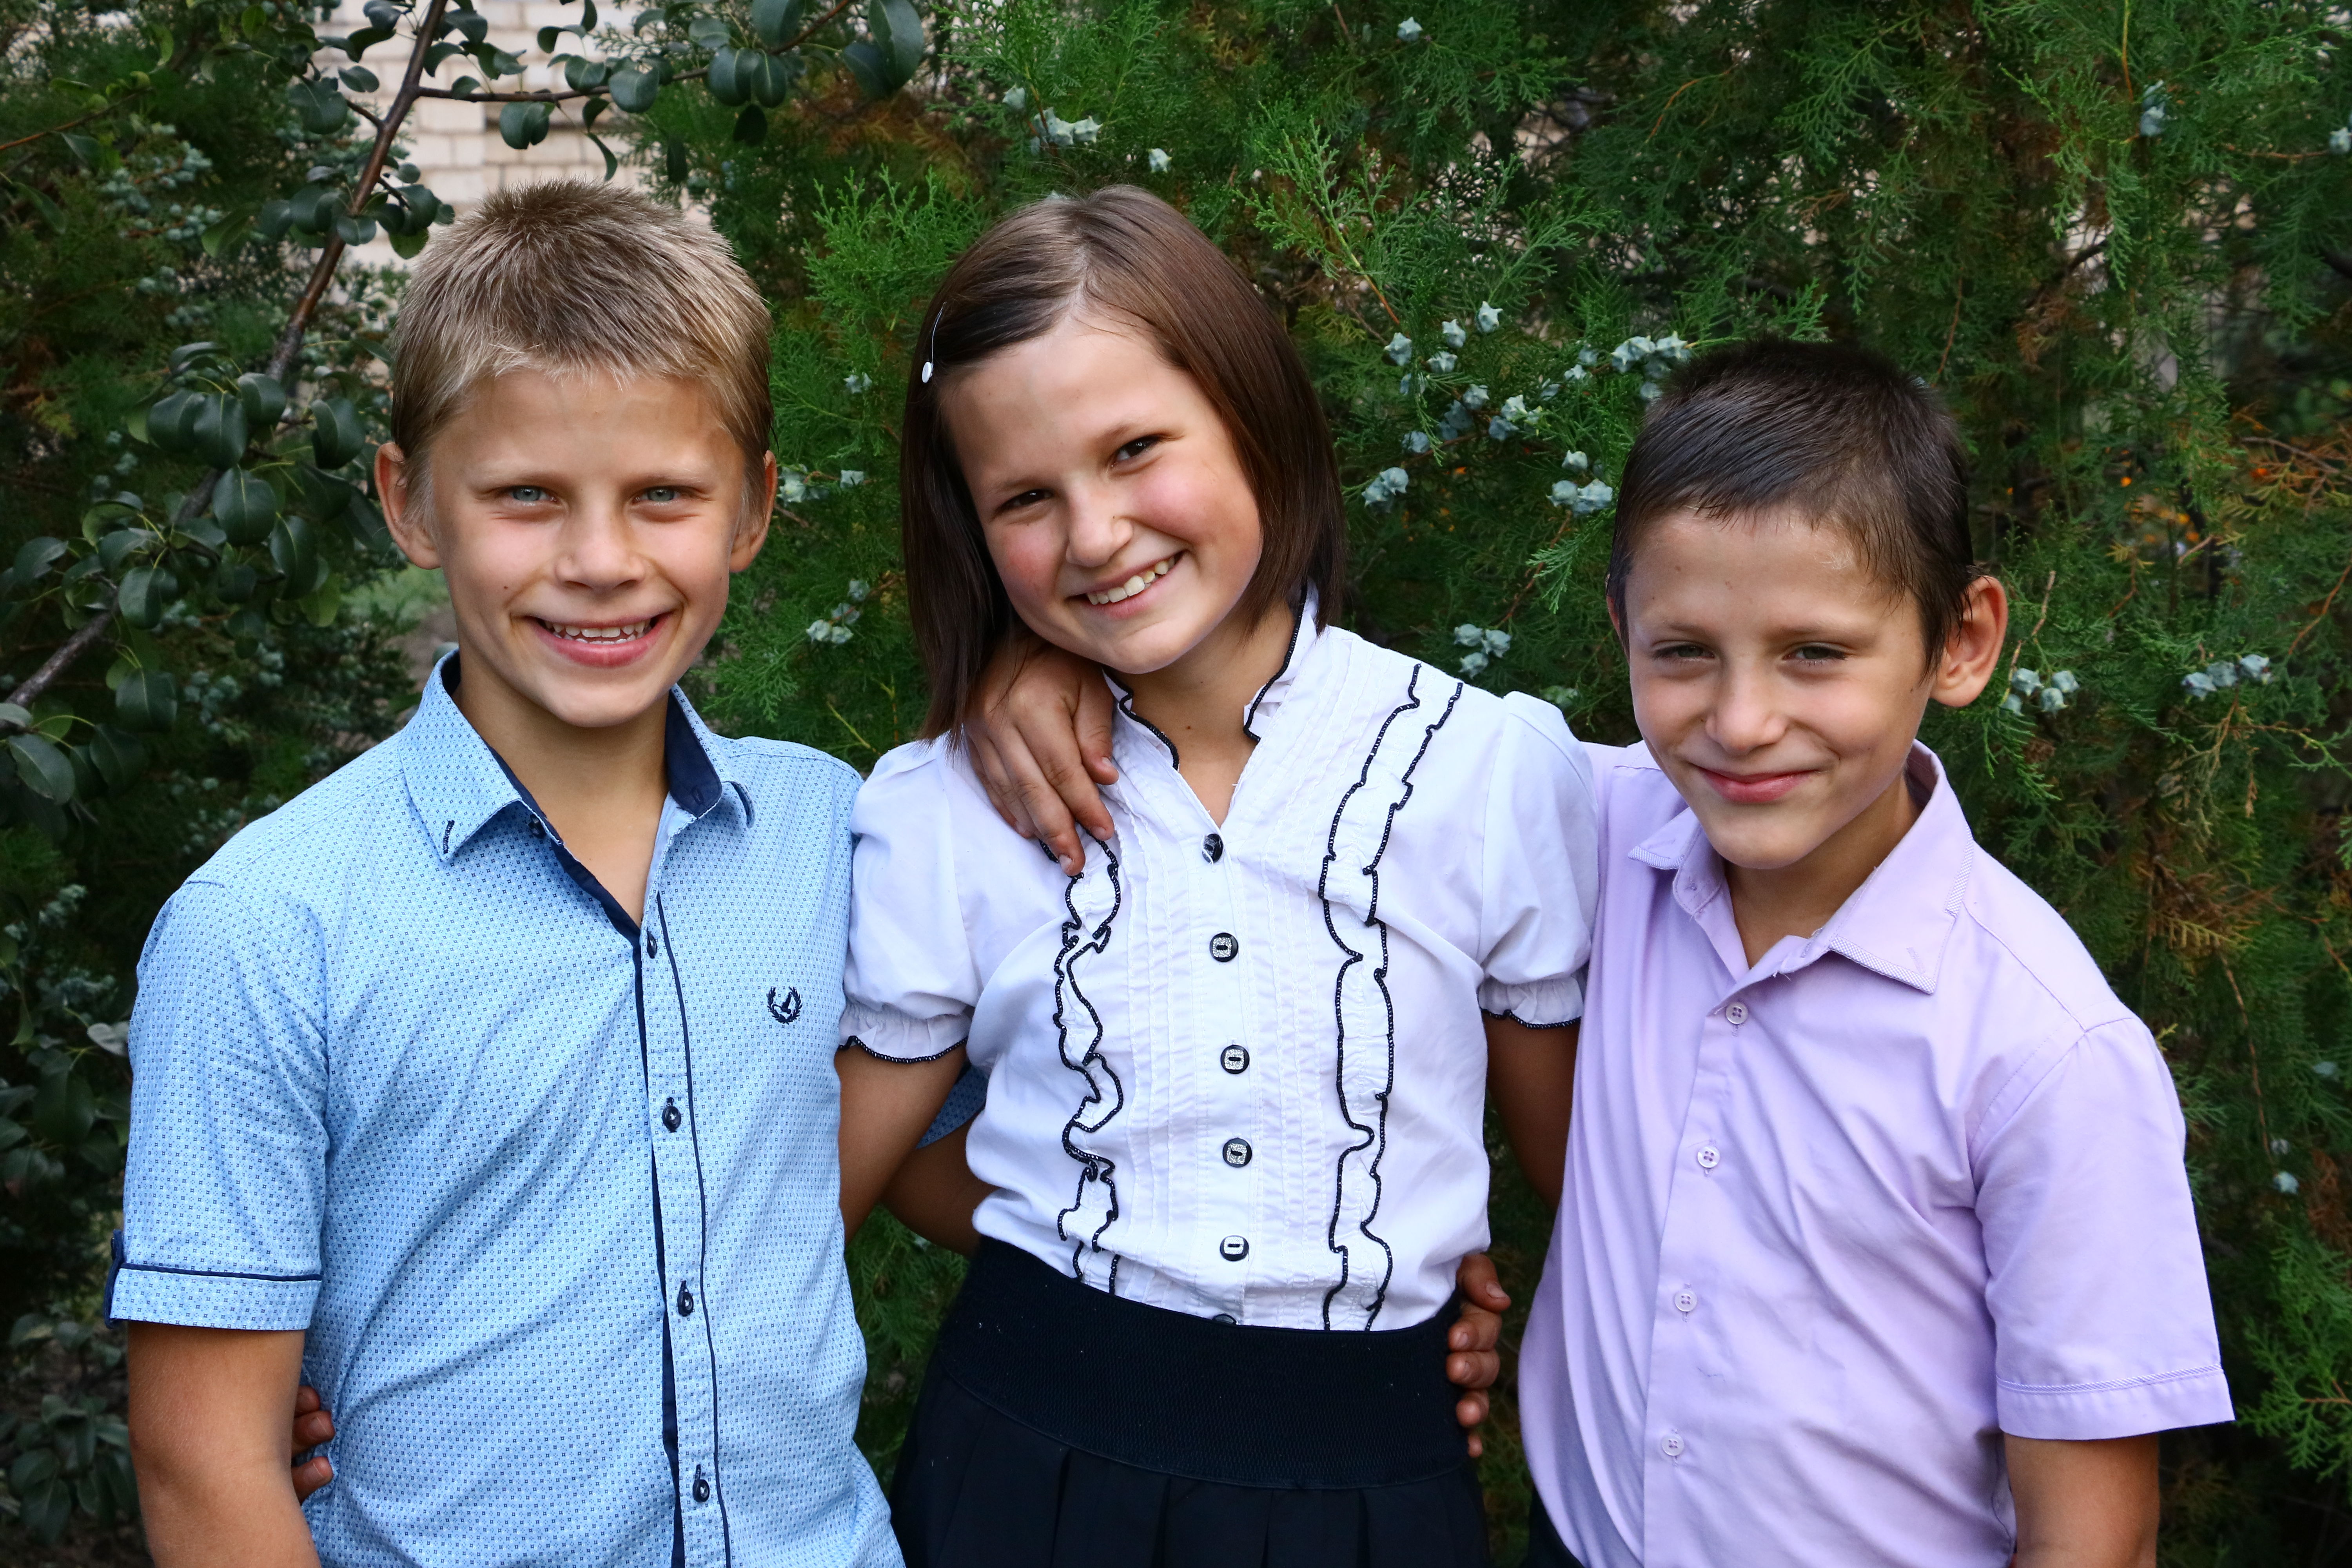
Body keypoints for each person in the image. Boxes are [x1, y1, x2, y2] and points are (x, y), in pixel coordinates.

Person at [977, 338, 2235, 1566]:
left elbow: (2095, 1536)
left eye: (1816, 653)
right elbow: (1285, 765)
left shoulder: (2049, 1053)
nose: (1743, 722)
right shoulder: (1552, 822)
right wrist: (1045, 674)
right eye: (1684, 653)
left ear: (1961, 640)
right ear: (1623, 624)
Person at [112, 181, 898, 1567]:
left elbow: (993, 1172)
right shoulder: (268, 926)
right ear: (411, 503)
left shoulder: (836, 836)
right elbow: (204, 1468)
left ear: (753, 511)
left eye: (664, 495)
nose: (600, 562)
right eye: (527, 496)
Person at [830, 185, 1599, 1567]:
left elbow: (1594, 1182)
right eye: (1026, 498)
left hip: (1375, 1483)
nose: (1095, 535)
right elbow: (837, 1179)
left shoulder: (1481, 769)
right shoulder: (947, 807)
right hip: (1027, 1470)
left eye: (1135, 450)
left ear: (1253, 415)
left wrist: (1419, 1262)